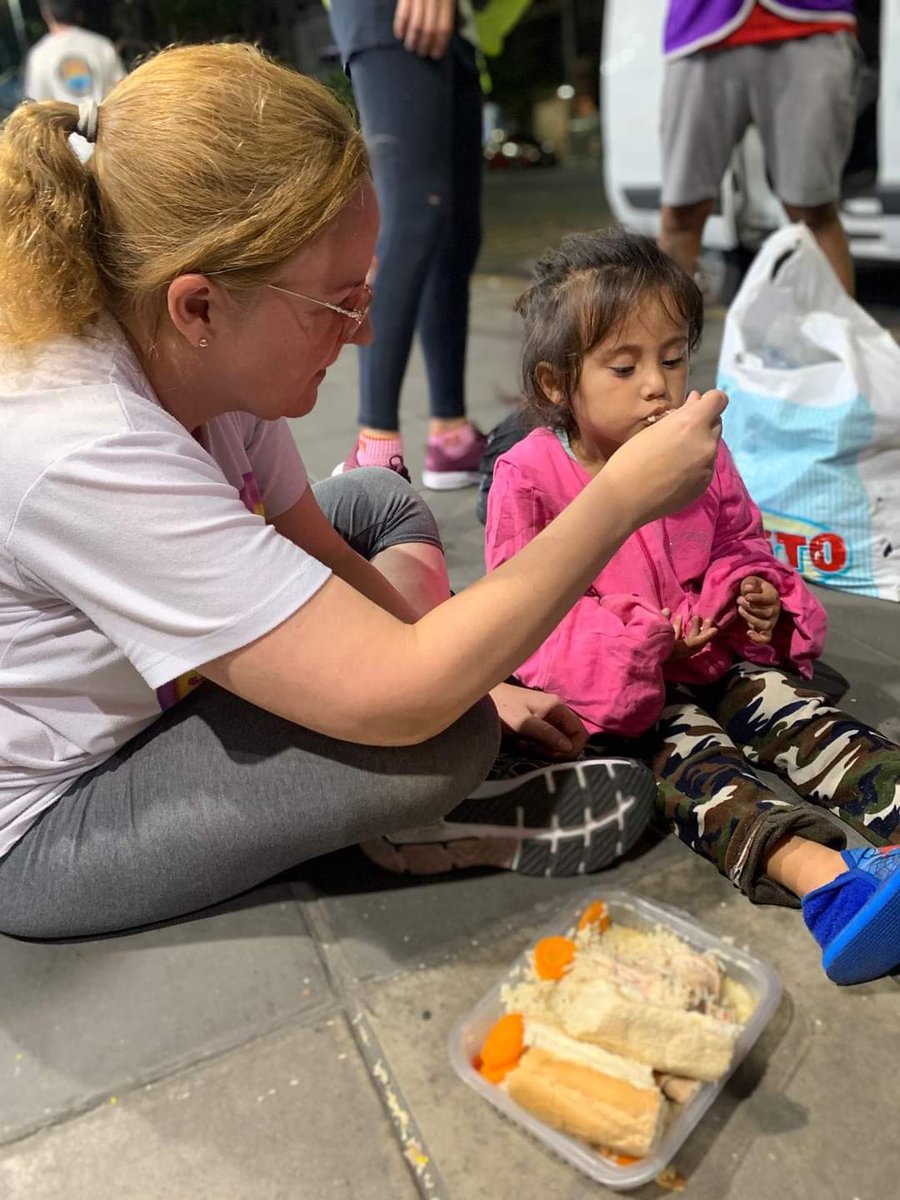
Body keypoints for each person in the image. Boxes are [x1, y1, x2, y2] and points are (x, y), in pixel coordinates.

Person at [0, 45, 725, 941]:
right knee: (442, 732)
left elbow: (317, 540)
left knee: (375, 504)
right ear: (199, 307)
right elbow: (408, 689)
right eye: (341, 304)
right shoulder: (85, 442)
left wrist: (483, 671)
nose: (367, 331)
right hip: (50, 821)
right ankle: (417, 824)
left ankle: (371, 721)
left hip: (157, 667)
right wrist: (616, 498)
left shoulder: (192, 349)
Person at [484, 229, 900, 986]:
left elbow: (743, 540)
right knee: (698, 772)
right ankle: (829, 882)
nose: (658, 385)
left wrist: (756, 597)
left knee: (802, 713)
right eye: (624, 365)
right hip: (630, 696)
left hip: (718, 652)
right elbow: (528, 615)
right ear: (554, 384)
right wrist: (643, 644)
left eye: (674, 358)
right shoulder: (529, 477)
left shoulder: (698, 446)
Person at [325, 0, 489, 489]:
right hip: (391, 15)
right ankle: (374, 449)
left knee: (453, 231)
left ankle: (451, 434)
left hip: (456, 29)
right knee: (413, 214)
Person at [659, 1, 859, 294]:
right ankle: (663, 339)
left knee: (814, 211)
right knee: (680, 215)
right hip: (700, 26)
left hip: (811, 19)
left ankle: (838, 338)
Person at [24, 0, 125, 103]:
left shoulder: (39, 55)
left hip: (63, 119)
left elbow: (36, 104)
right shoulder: (102, 45)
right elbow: (122, 90)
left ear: (46, 14)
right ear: (78, 13)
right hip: (106, 117)